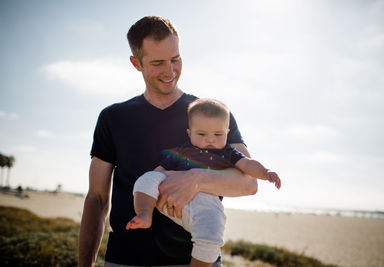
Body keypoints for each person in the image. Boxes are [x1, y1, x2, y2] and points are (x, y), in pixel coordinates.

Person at [78, 16, 257, 267]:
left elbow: (249, 183)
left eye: (175, 59)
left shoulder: (212, 115)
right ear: (136, 63)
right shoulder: (113, 118)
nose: (170, 71)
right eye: (158, 63)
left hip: (196, 259)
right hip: (125, 259)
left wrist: (196, 179)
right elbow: (97, 199)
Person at [126, 98, 281, 266]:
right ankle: (144, 213)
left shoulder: (228, 153)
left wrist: (265, 172)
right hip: (171, 201)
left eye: (218, 134)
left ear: (227, 133)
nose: (210, 140)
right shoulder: (182, 151)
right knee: (147, 177)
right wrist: (154, 186)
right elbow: (160, 171)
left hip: (207, 207)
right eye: (201, 134)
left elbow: (248, 165)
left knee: (212, 234)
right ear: (189, 133)